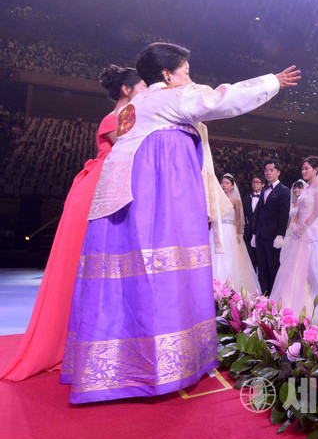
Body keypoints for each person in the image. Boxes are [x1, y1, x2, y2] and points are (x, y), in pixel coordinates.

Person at [59, 42, 300, 403]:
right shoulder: (171, 96)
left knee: (127, 280)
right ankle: (164, 367)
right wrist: (272, 82)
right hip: (158, 200)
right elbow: (221, 99)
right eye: (186, 72)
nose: (190, 78)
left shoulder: (132, 107)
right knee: (162, 275)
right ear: (167, 75)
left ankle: (115, 365)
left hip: (120, 201)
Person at [1, 65, 145, 382]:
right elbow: (135, 147)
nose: (147, 91)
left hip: (111, 189)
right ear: (126, 89)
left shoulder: (129, 116)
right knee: (82, 263)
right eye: (144, 86)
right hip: (96, 191)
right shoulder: (114, 119)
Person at [271, 157, 318, 323]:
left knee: (314, 267)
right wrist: (294, 223)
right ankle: (290, 301)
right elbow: (299, 208)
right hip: (298, 231)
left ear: (316, 169)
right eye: (302, 169)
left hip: (311, 230)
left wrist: (304, 226)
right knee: (292, 267)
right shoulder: (306, 188)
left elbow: (317, 211)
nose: (304, 171)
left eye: (307, 168)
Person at [209, 173, 259, 295]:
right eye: (222, 183)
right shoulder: (216, 199)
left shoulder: (236, 200)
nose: (224, 185)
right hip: (217, 230)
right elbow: (213, 218)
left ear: (232, 186)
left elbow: (238, 219)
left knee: (231, 258)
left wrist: (237, 234)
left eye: (227, 183)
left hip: (230, 231)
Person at [254, 159, 291, 295]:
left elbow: (284, 215)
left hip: (273, 236)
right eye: (266, 170)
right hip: (261, 235)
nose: (268, 173)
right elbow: (259, 214)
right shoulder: (264, 190)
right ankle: (264, 297)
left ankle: (275, 296)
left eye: (271, 170)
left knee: (273, 267)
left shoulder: (284, 190)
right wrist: (255, 233)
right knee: (262, 268)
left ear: (278, 172)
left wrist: (280, 234)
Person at [242, 174, 264, 272]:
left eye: (257, 182)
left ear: (263, 184)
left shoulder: (265, 198)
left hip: (261, 232)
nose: (255, 184)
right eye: (253, 182)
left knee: (261, 257)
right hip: (248, 231)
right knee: (249, 256)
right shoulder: (247, 199)